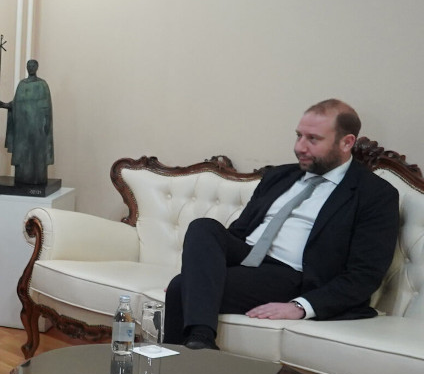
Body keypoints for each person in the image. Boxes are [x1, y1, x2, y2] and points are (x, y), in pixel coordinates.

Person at [164, 99, 399, 350]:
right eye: (299, 136)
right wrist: (201, 271)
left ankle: (199, 344)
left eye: (313, 139)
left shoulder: (375, 195)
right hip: (249, 256)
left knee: (180, 287)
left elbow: (364, 275)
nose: (300, 147)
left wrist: (301, 306)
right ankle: (201, 346)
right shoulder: (279, 176)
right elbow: (239, 232)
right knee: (203, 226)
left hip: (293, 274)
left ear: (347, 142)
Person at [0, 59, 54, 185]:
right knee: (22, 153)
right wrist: (4, 105)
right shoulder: (22, 85)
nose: (31, 67)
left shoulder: (42, 85)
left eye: (33, 65)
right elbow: (16, 104)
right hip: (23, 127)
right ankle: (23, 178)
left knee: (38, 154)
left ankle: (38, 178)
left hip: (38, 128)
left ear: (37, 67)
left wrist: (46, 123)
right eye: (29, 65)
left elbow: (47, 107)